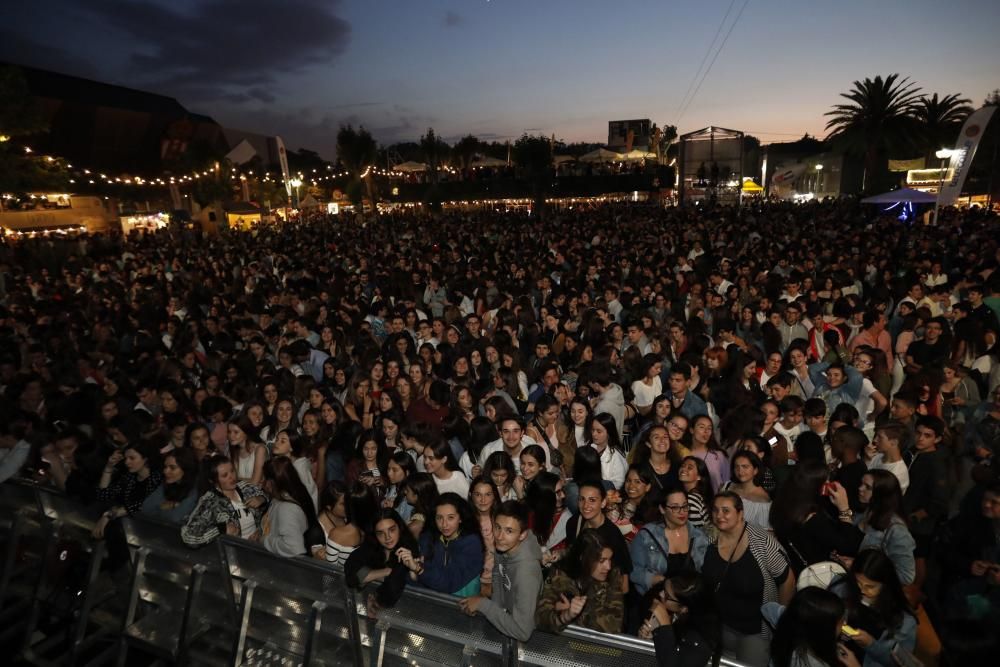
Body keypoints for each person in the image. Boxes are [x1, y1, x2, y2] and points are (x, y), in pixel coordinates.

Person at [701, 491, 794, 667]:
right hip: (720, 625)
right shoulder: (708, 537)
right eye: (715, 510)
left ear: (740, 513)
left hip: (755, 631)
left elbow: (787, 580)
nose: (719, 515)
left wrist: (780, 618)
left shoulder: (762, 541)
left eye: (726, 510)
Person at [458, 500, 543, 642]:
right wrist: (493, 609)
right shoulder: (503, 546)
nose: (499, 536)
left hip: (529, 638)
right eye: (497, 527)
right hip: (505, 623)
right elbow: (498, 577)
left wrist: (483, 605)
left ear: (522, 535)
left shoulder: (526, 573)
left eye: (509, 531)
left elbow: (523, 632)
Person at [832, 549, 917, 667]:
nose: (862, 590)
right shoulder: (841, 588)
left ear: (886, 585)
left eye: (870, 586)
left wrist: (871, 645)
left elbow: (903, 663)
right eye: (858, 582)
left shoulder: (905, 622)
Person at [535, 529, 625, 634]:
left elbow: (614, 625)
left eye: (610, 559)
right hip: (564, 644)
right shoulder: (561, 574)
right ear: (583, 558)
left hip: (599, 647)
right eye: (601, 561)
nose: (608, 566)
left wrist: (577, 613)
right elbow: (540, 619)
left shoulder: (613, 575)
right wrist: (566, 616)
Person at [398, 492, 484, 596]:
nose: (444, 524)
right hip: (431, 601)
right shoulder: (428, 538)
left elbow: (448, 583)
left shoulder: (471, 543)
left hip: (461, 605)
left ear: (460, 518)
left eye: (450, 518)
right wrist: (413, 574)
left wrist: (418, 570)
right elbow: (421, 583)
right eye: (439, 518)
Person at [629, 488, 709, 595]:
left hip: (690, 601)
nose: (682, 512)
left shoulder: (699, 536)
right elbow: (634, 571)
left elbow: (705, 573)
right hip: (658, 599)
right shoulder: (646, 535)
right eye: (675, 507)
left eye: (685, 506)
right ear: (662, 509)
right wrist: (652, 579)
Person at [182, 455, 267, 546]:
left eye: (232, 471)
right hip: (234, 553)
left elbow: (269, 499)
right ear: (213, 481)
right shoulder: (210, 502)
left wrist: (262, 499)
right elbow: (188, 537)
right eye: (225, 475)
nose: (232, 477)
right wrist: (220, 529)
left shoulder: (244, 487)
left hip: (258, 546)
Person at [850, 470, 917, 586]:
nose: (860, 489)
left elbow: (906, 576)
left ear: (881, 493)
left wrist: (863, 568)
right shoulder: (867, 511)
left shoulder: (896, 530)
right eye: (861, 484)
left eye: (868, 487)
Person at [766, 586, 860, 667]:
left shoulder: (792, 622)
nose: (844, 624)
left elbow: (767, 607)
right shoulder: (815, 663)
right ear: (823, 632)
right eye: (840, 622)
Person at [565, 481, 634, 592]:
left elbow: (624, 586)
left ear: (603, 503)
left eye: (592, 500)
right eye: (582, 499)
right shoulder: (573, 523)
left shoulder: (612, 535)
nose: (586, 505)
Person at [644, 572, 724, 667]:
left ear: (684, 608)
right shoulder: (677, 614)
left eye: (667, 596)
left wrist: (665, 624)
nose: (660, 594)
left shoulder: (700, 640)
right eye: (663, 589)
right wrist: (651, 638)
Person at [344, 509, 419, 610]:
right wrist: (386, 572)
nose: (387, 537)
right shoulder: (372, 545)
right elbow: (350, 573)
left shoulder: (408, 550)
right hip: (366, 607)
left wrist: (369, 576)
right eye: (380, 533)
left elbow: (392, 588)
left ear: (400, 528)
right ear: (375, 534)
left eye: (392, 530)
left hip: (401, 612)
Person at [93, 441, 163, 539]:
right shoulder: (129, 477)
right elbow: (103, 495)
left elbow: (141, 505)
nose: (127, 462)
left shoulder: (156, 479)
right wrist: (109, 468)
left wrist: (110, 514)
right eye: (126, 458)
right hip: (127, 530)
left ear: (145, 459)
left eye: (132, 458)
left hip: (146, 532)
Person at [260, 456, 324, 558]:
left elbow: (293, 548)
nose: (261, 481)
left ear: (271, 482)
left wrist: (264, 540)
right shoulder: (287, 494)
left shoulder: (287, 509)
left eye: (263, 478)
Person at [139, 447, 199, 524]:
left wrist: (162, 508)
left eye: (172, 468)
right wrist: (168, 507)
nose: (165, 471)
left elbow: (175, 518)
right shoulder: (166, 484)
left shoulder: (195, 489)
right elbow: (145, 509)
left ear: (186, 469)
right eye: (165, 467)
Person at [317, 480, 371, 566]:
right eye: (343, 504)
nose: (346, 506)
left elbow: (330, 573)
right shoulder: (317, 530)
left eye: (347, 503)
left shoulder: (342, 528)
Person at [719, 451, 772, 530]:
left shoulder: (763, 500)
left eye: (745, 467)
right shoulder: (727, 486)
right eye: (737, 467)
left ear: (755, 470)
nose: (740, 471)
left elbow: (765, 533)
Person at [270, 430, 319, 510]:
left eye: (282, 441)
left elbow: (307, 498)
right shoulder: (279, 462)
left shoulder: (300, 468)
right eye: (276, 439)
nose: (276, 443)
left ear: (291, 448)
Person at [678, 455, 714, 530]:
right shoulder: (699, 495)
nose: (684, 469)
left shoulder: (691, 499)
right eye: (682, 466)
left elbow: (694, 532)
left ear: (699, 477)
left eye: (689, 468)